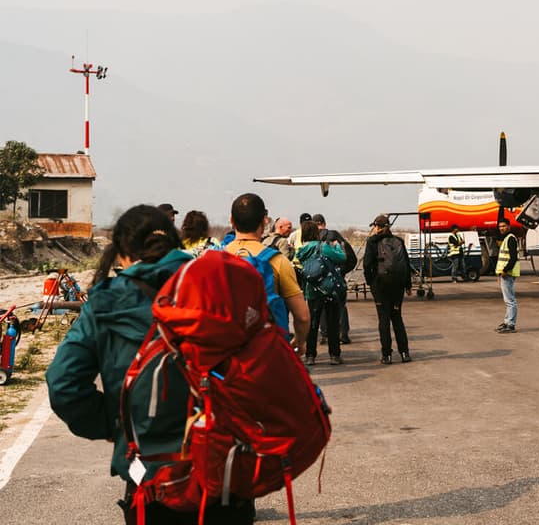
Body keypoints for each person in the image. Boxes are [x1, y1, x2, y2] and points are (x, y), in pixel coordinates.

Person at [46, 205, 256, 524]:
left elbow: (64, 385)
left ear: (122, 255)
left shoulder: (106, 302)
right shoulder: (221, 286)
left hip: (151, 479)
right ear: (175, 243)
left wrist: (117, 425)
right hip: (226, 473)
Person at [223, 193, 310, 357]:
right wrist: (299, 342)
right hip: (267, 354)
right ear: (265, 221)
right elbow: (302, 316)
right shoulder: (278, 261)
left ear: (231, 221)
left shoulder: (213, 258)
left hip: (226, 353)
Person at [295, 220, 347, 365]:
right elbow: (342, 258)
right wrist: (337, 246)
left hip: (312, 290)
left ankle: (310, 355)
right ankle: (334, 355)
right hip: (329, 289)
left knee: (312, 324)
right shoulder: (323, 247)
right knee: (332, 323)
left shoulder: (302, 250)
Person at [363, 213, 412, 364]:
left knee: (383, 320)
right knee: (397, 318)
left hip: (380, 286)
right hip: (398, 285)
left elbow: (367, 264)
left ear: (377, 227)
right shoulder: (398, 241)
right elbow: (406, 263)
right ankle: (404, 353)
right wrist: (408, 285)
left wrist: (371, 282)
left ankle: (387, 355)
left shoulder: (372, 242)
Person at [313, 214, 356, 344]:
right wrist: (341, 271)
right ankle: (343, 334)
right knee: (340, 305)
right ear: (324, 223)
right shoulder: (336, 236)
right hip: (337, 277)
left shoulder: (313, 239)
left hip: (321, 278)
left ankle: (325, 334)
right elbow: (351, 257)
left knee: (322, 306)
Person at [495, 217, 519, 333]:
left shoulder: (510, 239)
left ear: (509, 226)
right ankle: (507, 321)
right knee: (508, 299)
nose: (502, 228)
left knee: (510, 300)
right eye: (500, 226)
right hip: (504, 273)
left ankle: (511, 324)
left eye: (504, 226)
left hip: (508, 273)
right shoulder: (506, 238)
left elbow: (513, 258)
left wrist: (505, 270)